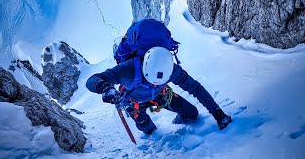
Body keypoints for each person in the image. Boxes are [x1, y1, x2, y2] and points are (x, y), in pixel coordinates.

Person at [85, 45, 232, 134]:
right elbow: (93, 79)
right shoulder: (128, 68)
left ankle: (176, 120)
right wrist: (104, 87)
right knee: (147, 129)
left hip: (160, 95)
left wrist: (217, 112)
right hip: (134, 101)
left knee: (192, 114)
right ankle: (148, 126)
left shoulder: (172, 69)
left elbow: (195, 88)